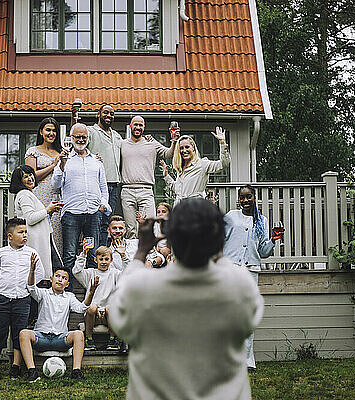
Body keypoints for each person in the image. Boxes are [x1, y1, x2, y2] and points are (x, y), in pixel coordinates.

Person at [108, 199, 264, 399]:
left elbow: (118, 312)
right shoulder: (239, 285)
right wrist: (216, 245)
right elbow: (250, 321)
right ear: (220, 239)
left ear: (170, 239)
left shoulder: (142, 288)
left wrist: (141, 250)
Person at [223, 184, 283, 372]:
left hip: (250, 271)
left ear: (254, 198)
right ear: (238, 200)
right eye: (242, 197)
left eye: (249, 197)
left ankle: (247, 361)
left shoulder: (262, 221)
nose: (245, 200)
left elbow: (263, 252)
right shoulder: (231, 217)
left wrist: (273, 240)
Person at [0, 217, 44, 382]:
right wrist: (4, 284)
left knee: (19, 333)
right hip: (3, 299)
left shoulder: (32, 253)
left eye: (25, 232)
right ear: (10, 236)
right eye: (20, 232)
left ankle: (15, 366)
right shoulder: (1, 253)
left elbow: (40, 274)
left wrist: (26, 287)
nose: (25, 235)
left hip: (22, 299)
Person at [19, 264, 99, 381]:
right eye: (57, 276)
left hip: (60, 339)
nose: (60, 279)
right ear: (51, 279)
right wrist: (31, 271)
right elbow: (31, 287)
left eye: (64, 278)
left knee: (78, 334)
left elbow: (81, 308)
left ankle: (76, 371)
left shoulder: (69, 297)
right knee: (24, 333)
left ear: (67, 284)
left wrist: (91, 292)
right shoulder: (43, 293)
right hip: (42, 338)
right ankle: (32, 371)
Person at [52, 123, 110, 276]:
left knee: (93, 255)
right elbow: (56, 184)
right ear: (71, 138)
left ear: (88, 138)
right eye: (77, 136)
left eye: (84, 137)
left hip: (93, 213)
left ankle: (92, 293)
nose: (81, 139)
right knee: (70, 255)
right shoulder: (64, 159)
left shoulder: (96, 161)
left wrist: (103, 205)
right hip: (72, 214)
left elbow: (103, 186)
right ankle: (68, 293)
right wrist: (62, 165)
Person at [120, 116, 179, 237]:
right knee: (130, 229)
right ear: (130, 126)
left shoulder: (151, 142)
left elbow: (168, 154)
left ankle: (148, 255)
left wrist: (173, 141)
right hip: (127, 190)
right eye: (135, 124)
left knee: (149, 227)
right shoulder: (122, 144)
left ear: (144, 127)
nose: (138, 127)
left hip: (146, 191)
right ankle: (131, 255)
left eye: (140, 125)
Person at [10, 165, 63, 280]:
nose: (30, 178)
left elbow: (36, 216)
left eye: (30, 175)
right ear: (19, 181)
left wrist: (50, 212)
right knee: (53, 271)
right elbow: (30, 218)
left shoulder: (28, 194)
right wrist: (47, 210)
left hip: (44, 237)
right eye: (25, 177)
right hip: (36, 238)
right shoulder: (24, 195)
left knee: (55, 269)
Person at [160, 127, 230, 206]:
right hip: (179, 209)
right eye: (181, 148)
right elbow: (178, 190)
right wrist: (166, 176)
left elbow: (223, 164)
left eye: (187, 147)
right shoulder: (180, 169)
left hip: (195, 207)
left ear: (193, 148)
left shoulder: (202, 164)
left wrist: (222, 143)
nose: (184, 150)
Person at [25, 118, 64, 259]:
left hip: (57, 198)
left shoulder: (60, 151)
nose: (51, 133)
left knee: (57, 236)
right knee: (41, 234)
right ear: (41, 132)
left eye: (54, 130)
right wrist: (53, 166)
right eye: (48, 130)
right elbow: (30, 176)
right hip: (39, 197)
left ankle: (56, 273)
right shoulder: (33, 151)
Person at [72, 244, 122, 351]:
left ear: (111, 260)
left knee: (110, 308)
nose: (104, 262)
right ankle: (88, 339)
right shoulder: (90, 273)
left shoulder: (115, 274)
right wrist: (83, 254)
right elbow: (76, 271)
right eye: (101, 259)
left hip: (108, 315)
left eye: (106, 259)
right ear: (95, 260)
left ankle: (112, 340)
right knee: (92, 307)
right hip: (92, 315)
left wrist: (123, 256)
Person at [87, 104, 123, 246]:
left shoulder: (117, 136)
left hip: (114, 185)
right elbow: (76, 139)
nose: (109, 116)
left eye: (112, 114)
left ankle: (103, 253)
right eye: (106, 113)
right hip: (98, 185)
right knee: (94, 222)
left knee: (105, 223)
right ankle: (93, 257)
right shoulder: (91, 131)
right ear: (98, 114)